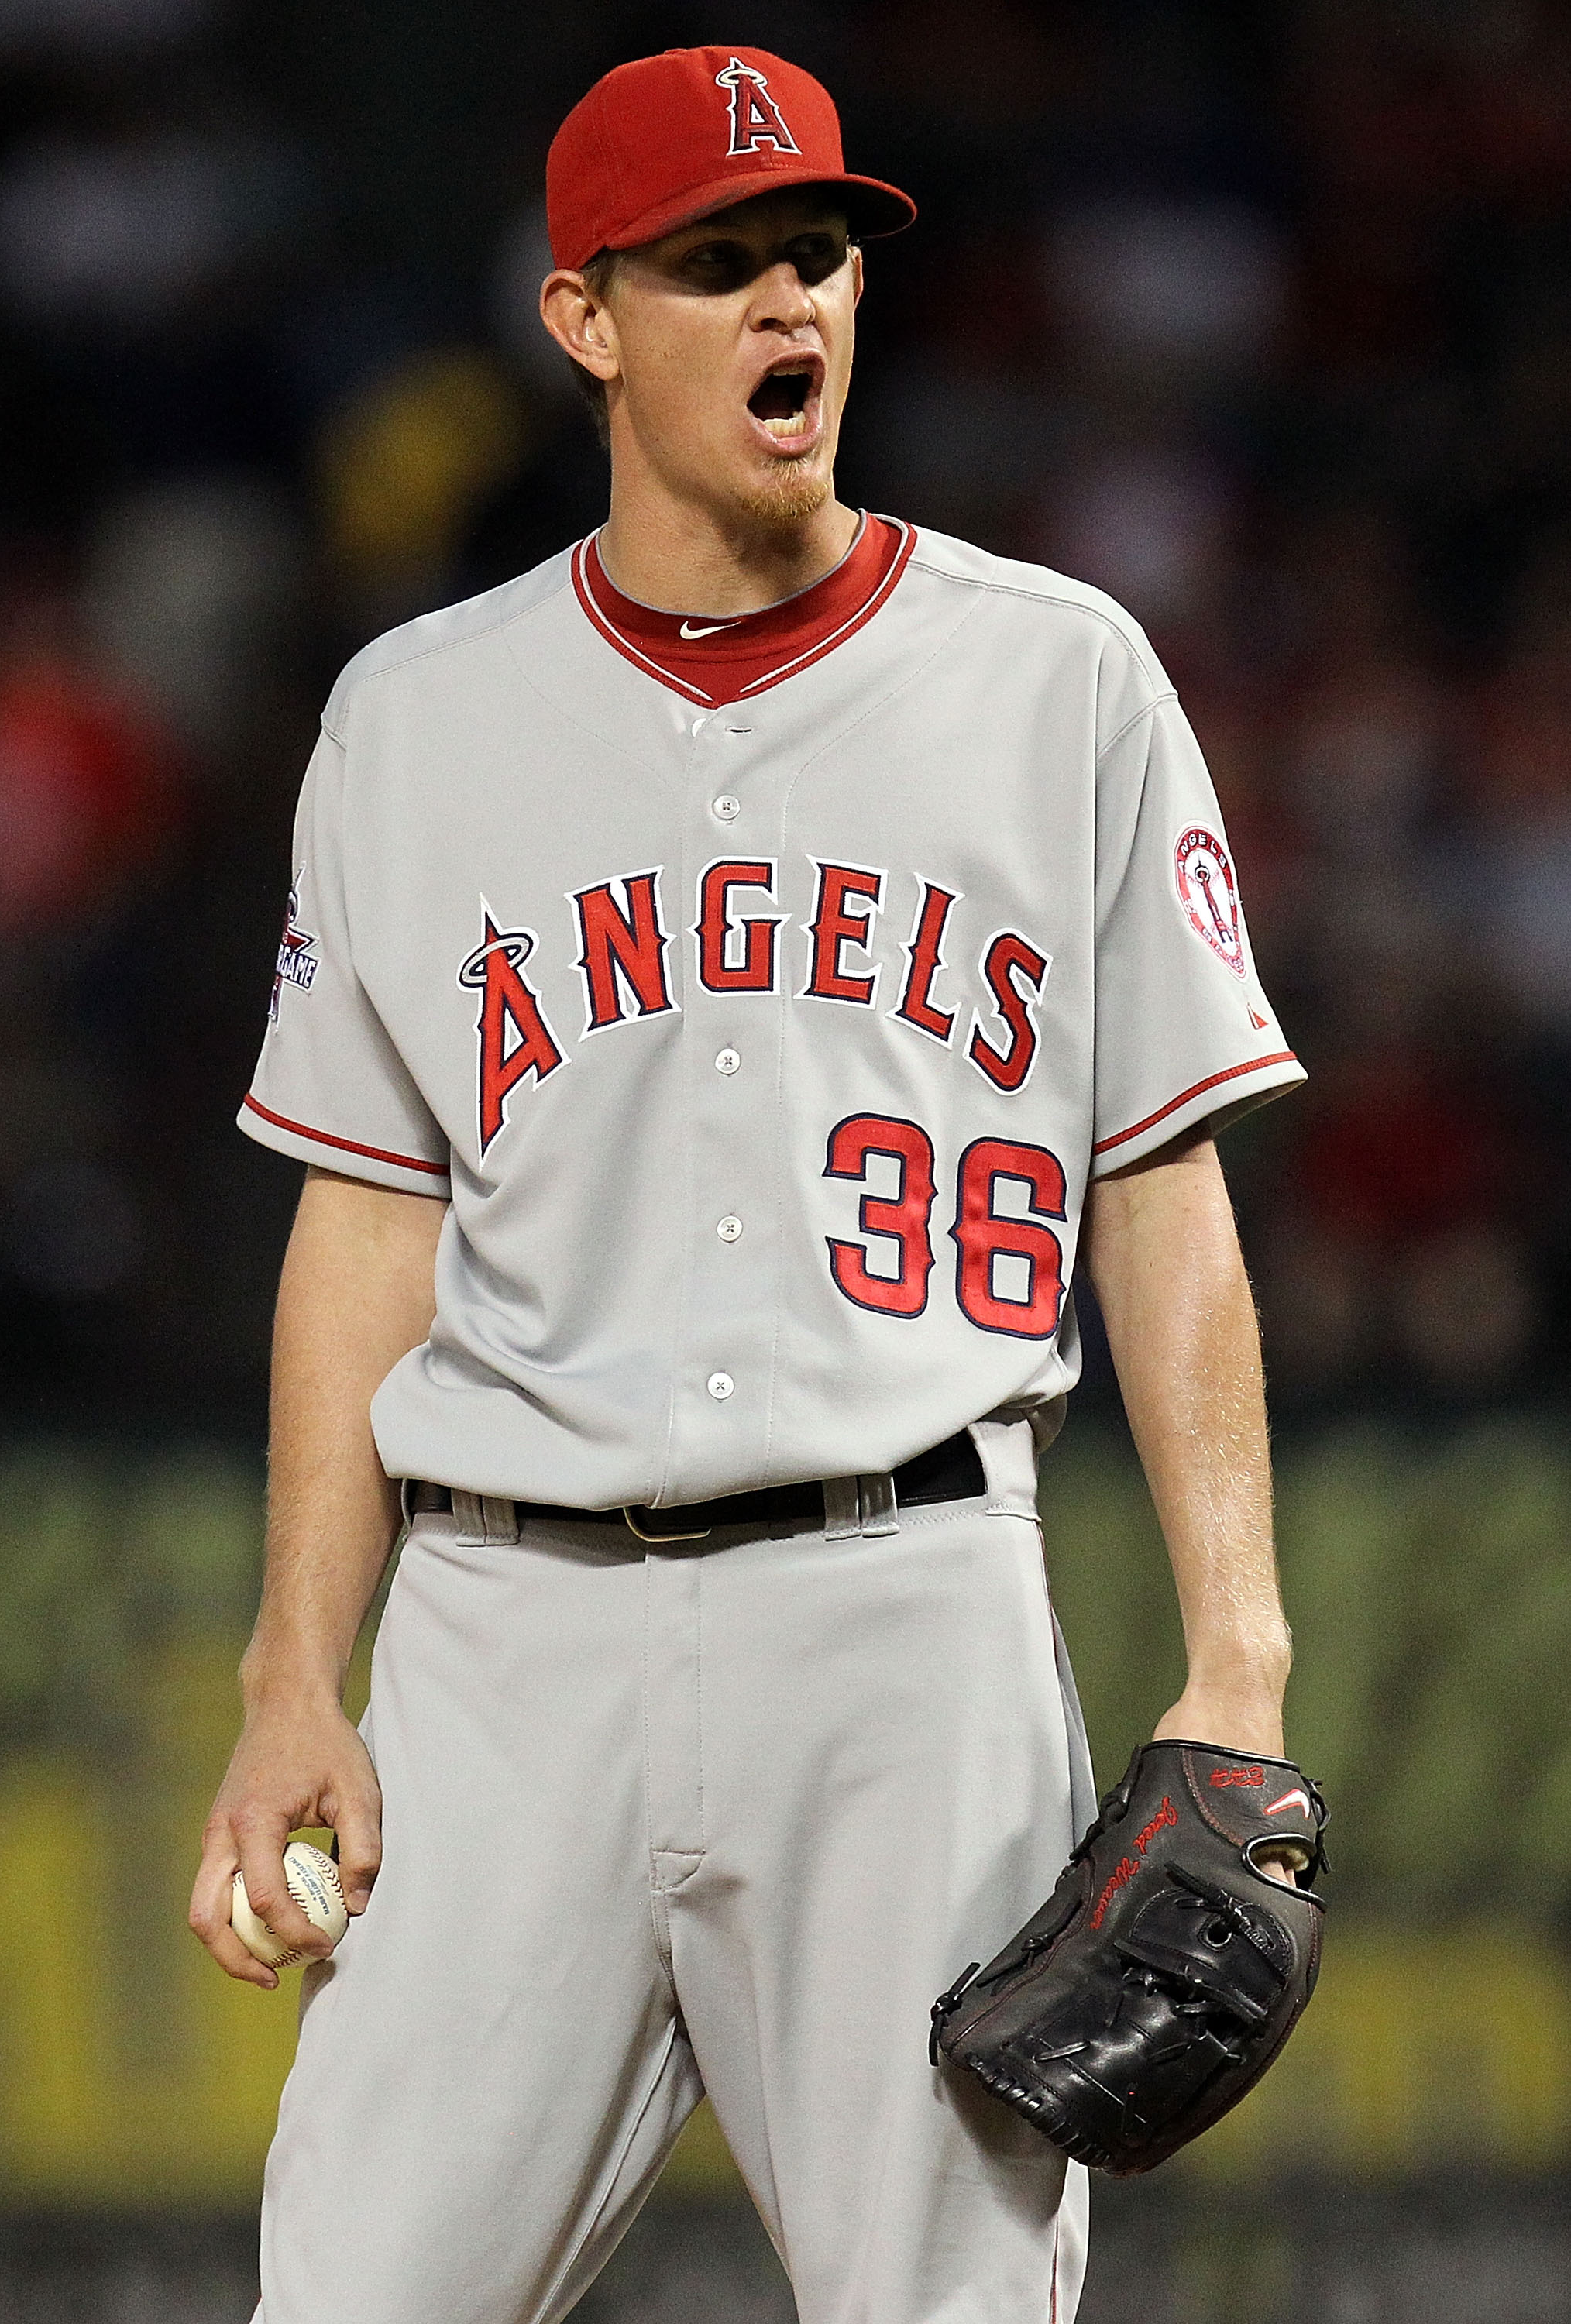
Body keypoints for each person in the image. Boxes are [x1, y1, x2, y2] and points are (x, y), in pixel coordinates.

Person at [189, 45, 1306, 2324]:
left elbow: (1164, 1195)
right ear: (583, 318)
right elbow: (363, 1233)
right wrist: (297, 1672)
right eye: (715, 264)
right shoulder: (416, 717)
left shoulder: (1057, 675)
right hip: (509, 1644)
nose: (788, 298)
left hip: (909, 1616)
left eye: (816, 253)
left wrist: (1243, 1663)